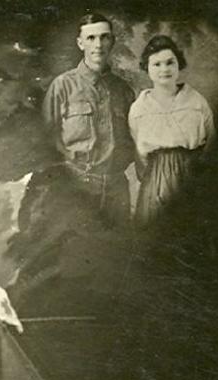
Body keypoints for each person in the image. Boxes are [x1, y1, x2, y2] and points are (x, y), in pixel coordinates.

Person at [42, 12, 135, 225]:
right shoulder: (63, 86)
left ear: (112, 41)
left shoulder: (124, 90)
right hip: (77, 187)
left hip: (116, 189)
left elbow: (135, 139)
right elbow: (46, 141)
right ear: (80, 43)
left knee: (118, 251)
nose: (98, 45)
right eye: (91, 38)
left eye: (104, 37)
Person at [128, 35, 215, 224]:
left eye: (170, 63)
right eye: (156, 64)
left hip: (191, 177)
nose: (164, 69)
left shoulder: (197, 102)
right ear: (147, 68)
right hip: (154, 181)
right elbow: (139, 152)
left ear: (178, 65)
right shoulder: (139, 109)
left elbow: (211, 142)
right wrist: (155, 176)